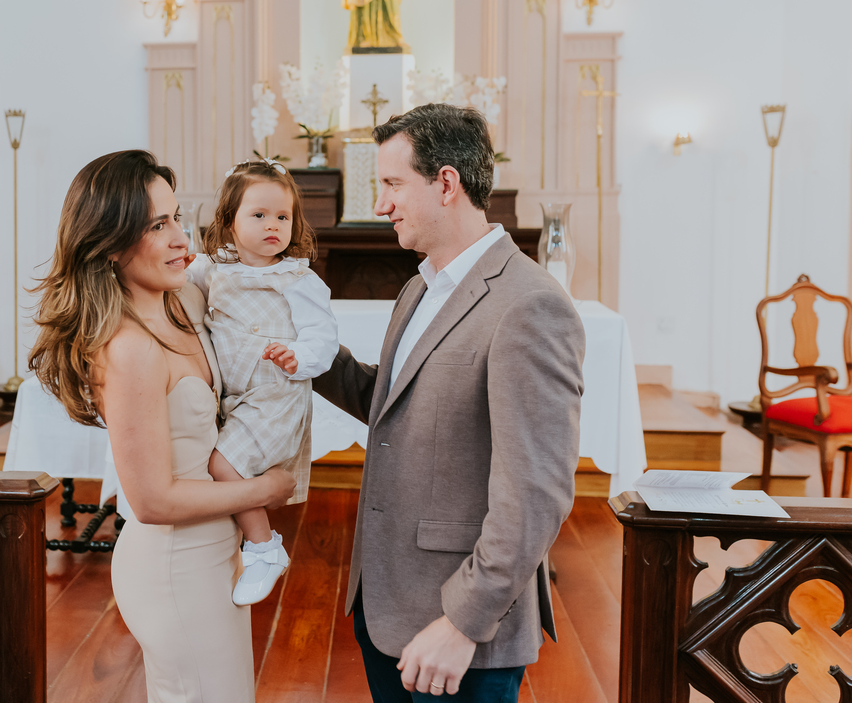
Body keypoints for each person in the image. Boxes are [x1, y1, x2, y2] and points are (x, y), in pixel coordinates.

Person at [313, 104, 585, 701]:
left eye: (391, 184)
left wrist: (464, 621)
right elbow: (397, 409)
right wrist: (310, 354)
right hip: (388, 602)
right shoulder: (419, 287)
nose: (381, 206)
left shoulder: (529, 304)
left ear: (445, 183)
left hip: (461, 624)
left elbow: (536, 493)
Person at [29, 150, 296, 702]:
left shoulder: (186, 301)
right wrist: (265, 490)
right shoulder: (128, 350)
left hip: (217, 554)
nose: (181, 238)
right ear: (109, 245)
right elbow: (150, 500)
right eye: (157, 225)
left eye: (177, 216)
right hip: (175, 568)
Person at [187, 159, 338, 605]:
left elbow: (323, 337)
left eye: (282, 216)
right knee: (215, 466)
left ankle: (264, 546)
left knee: (221, 465)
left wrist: (298, 357)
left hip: (276, 394)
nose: (273, 225)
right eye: (259, 215)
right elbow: (175, 278)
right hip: (234, 398)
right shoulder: (211, 269)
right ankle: (242, 544)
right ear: (229, 222)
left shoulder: (298, 279)